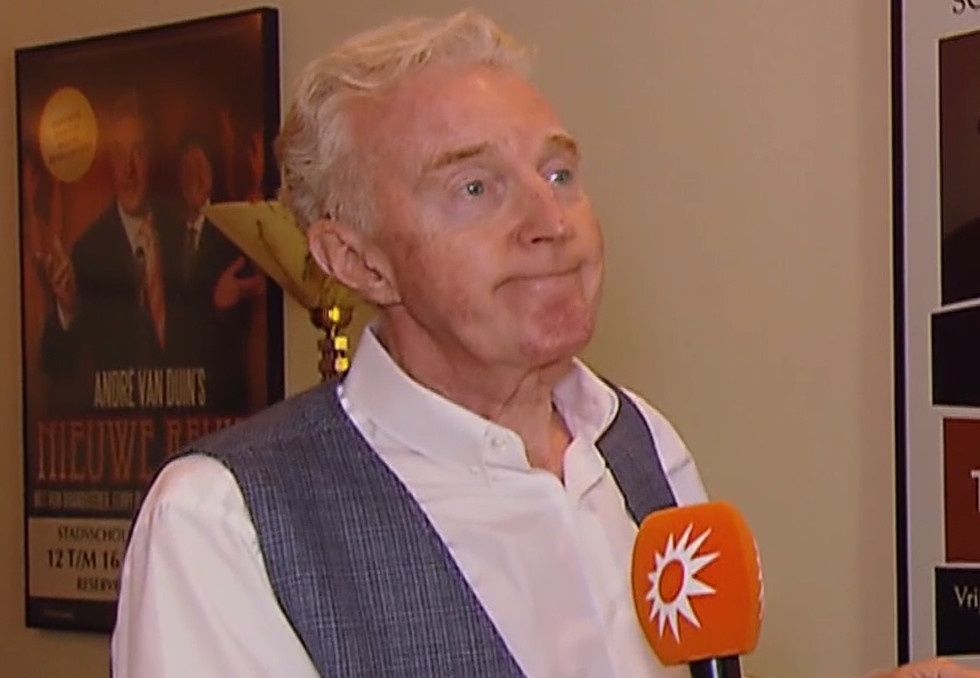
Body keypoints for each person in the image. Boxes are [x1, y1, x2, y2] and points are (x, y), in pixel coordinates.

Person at [110, 11, 980, 678]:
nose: (549, 221)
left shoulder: (641, 447)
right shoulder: (222, 525)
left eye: (558, 173)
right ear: (355, 258)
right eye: (476, 187)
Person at [39, 91, 184, 385]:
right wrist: (68, 307)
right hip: (121, 426)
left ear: (152, 156)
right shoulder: (89, 250)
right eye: (119, 153)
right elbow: (55, 361)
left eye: (139, 151)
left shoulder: (183, 230)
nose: (128, 170)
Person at [168, 134, 265, 412]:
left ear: (211, 174)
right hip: (177, 392)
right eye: (187, 169)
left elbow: (252, 305)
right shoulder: (164, 235)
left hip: (222, 393)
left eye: (200, 168)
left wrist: (223, 305)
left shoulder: (231, 232)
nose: (194, 177)